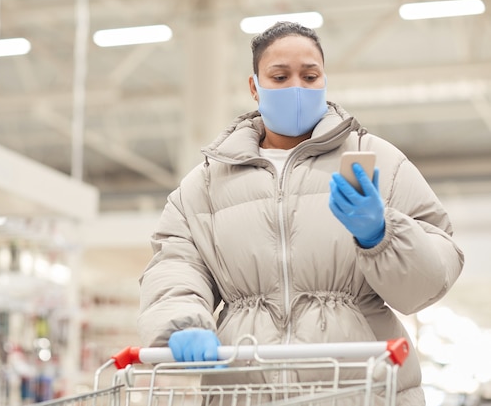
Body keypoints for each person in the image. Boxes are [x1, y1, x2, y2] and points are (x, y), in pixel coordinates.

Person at [137, 21, 464, 405]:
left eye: (310, 76)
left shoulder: (379, 162)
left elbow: (431, 276)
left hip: (361, 389)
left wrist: (382, 235)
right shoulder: (206, 185)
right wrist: (183, 322)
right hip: (247, 390)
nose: (297, 88)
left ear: (325, 81)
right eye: (280, 76)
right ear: (254, 87)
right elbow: (175, 265)